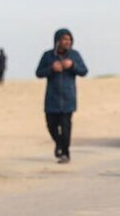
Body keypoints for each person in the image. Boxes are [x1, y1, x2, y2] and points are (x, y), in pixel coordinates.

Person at [36, 29, 88, 164]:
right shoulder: (48, 56)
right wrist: (51, 69)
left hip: (68, 98)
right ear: (57, 41)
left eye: (69, 39)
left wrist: (72, 66)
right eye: (65, 39)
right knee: (51, 125)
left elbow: (84, 71)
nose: (67, 42)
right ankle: (59, 144)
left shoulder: (74, 55)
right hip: (52, 98)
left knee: (66, 127)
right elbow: (39, 73)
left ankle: (65, 153)